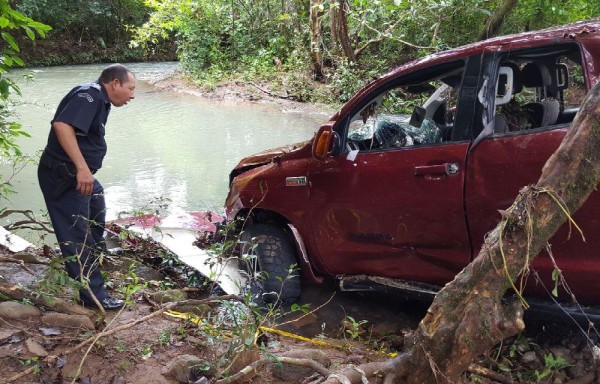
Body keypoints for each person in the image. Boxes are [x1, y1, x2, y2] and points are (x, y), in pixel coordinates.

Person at [38, 64, 136, 310]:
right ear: (115, 83)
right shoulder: (89, 95)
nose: (132, 95)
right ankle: (93, 294)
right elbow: (62, 125)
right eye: (130, 88)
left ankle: (94, 259)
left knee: (97, 203)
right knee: (76, 234)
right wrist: (82, 169)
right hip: (64, 175)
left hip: (76, 173)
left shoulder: (100, 99)